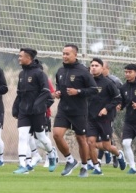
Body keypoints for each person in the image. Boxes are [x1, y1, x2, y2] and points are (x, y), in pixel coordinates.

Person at [52, 44, 97, 177]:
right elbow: (58, 87)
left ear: (75, 55)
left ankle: (84, 167)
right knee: (56, 135)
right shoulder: (60, 71)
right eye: (63, 53)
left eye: (67, 54)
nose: (65, 56)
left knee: (81, 138)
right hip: (63, 109)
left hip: (79, 110)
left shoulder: (83, 71)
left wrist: (77, 91)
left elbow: (94, 90)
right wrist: (57, 93)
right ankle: (70, 160)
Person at [12, 48, 56, 175]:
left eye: (21, 56)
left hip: (37, 111)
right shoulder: (21, 74)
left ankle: (51, 153)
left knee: (42, 136)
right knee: (22, 136)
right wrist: (16, 107)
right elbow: (19, 93)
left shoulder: (39, 73)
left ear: (28, 58)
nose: (19, 58)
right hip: (24, 112)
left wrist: (37, 104)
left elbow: (46, 91)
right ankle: (22, 164)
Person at [86, 58, 125, 175]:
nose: (93, 67)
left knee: (107, 146)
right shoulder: (87, 82)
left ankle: (118, 154)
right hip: (90, 118)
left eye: (96, 65)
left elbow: (118, 98)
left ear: (102, 68)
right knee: (90, 142)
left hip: (105, 119)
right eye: (92, 65)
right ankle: (97, 168)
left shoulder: (108, 83)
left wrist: (106, 109)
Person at [100, 60, 122, 167]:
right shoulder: (94, 80)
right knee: (96, 136)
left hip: (109, 112)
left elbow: (122, 95)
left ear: (107, 69)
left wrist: (119, 104)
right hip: (96, 112)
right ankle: (106, 154)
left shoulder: (115, 81)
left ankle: (113, 156)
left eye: (102, 68)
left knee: (105, 135)